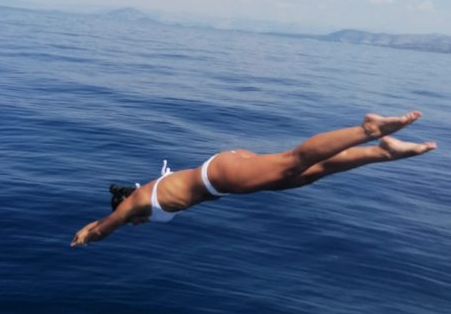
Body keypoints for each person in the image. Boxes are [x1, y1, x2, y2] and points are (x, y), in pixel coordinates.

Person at [71, 110, 436, 247]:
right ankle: (384, 151)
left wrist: (86, 236)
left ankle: (367, 129)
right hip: (225, 174)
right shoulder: (142, 198)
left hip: (222, 176)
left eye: (130, 221)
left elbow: (106, 226)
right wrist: (96, 226)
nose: (134, 225)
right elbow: (106, 220)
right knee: (309, 175)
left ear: (127, 210)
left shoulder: (136, 204)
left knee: (293, 162)